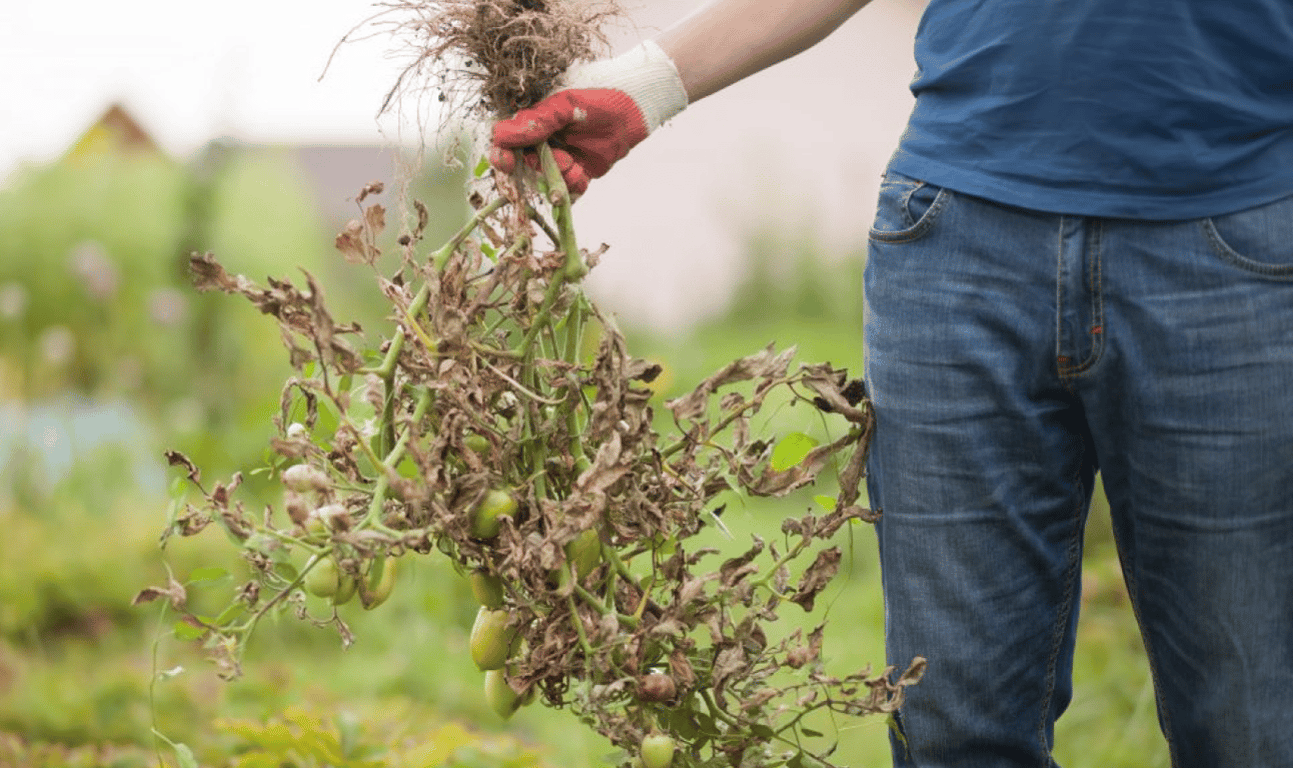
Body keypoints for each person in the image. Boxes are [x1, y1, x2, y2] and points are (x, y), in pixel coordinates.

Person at [489, 1, 1293, 766]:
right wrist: (642, 87)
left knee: (1252, 725)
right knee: (951, 729)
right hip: (958, 243)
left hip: (1234, 244)